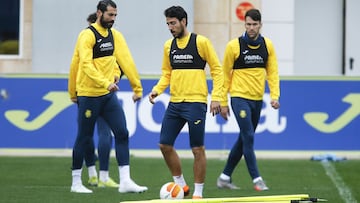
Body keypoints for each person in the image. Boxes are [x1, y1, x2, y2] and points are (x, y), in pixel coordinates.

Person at [68, 0, 147, 193]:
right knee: (84, 138)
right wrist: (75, 92)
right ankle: (76, 182)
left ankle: (125, 181)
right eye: (110, 15)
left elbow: (124, 61)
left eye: (115, 15)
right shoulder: (86, 35)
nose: (113, 19)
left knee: (122, 133)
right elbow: (83, 65)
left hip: (107, 95)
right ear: (99, 13)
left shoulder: (115, 36)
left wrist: (137, 87)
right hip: (89, 95)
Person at [148, 6, 224, 199]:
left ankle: (198, 194)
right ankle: (181, 184)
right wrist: (157, 90)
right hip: (175, 103)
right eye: (168, 24)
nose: (170, 27)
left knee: (197, 149)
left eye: (173, 23)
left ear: (184, 21)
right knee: (164, 145)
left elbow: (217, 70)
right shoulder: (168, 46)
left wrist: (217, 97)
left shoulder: (201, 42)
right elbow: (167, 73)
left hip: (196, 103)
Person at [216, 8, 280, 191]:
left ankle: (224, 177)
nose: (251, 28)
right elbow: (224, 75)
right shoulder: (233, 46)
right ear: (244, 24)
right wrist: (222, 102)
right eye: (248, 24)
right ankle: (257, 180)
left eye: (254, 24)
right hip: (238, 98)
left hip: (257, 100)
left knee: (244, 139)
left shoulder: (267, 46)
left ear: (260, 25)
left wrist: (275, 96)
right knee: (249, 136)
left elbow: (273, 73)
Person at [68, 12, 118, 189]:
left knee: (98, 134)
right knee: (88, 135)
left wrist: (115, 76)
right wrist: (73, 92)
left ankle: (100, 175)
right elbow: (77, 66)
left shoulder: (101, 38)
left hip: (102, 93)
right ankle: (93, 174)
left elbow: (115, 63)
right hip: (88, 93)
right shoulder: (87, 39)